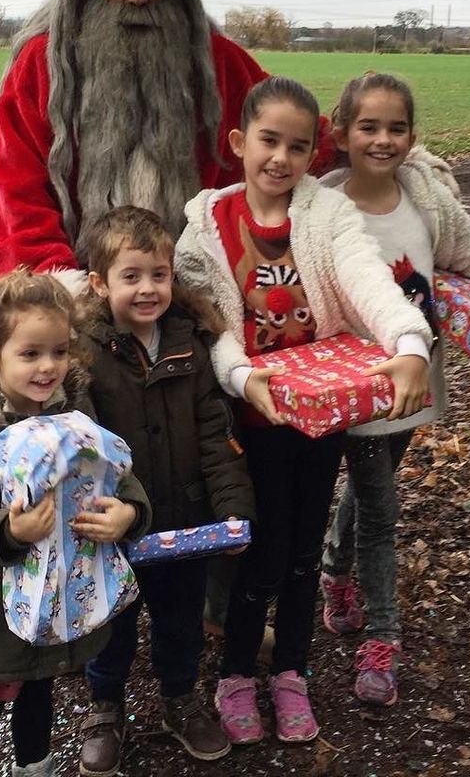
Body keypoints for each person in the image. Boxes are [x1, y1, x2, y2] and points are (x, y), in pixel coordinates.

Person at [174, 76, 434, 744]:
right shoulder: (205, 224)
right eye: (268, 141)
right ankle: (235, 675)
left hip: (317, 421)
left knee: (299, 556)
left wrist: (408, 342)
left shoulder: (328, 215)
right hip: (248, 425)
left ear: (313, 151)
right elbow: (208, 322)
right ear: (239, 142)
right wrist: (239, 376)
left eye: (297, 145)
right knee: (254, 554)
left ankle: (291, 674)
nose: (280, 159)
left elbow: (365, 279)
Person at [318, 71, 470, 707]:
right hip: (359, 388)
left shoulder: (424, 197)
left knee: (373, 487)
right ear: (341, 133)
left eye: (395, 128)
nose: (382, 139)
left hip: (420, 382)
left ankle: (335, 570)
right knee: (383, 513)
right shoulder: (324, 207)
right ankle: (382, 640)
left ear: (413, 136)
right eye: (368, 127)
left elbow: (469, 251)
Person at [0, 0, 332, 283]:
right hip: (81, 283)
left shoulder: (219, 62)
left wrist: (366, 145)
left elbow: (295, 129)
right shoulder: (43, 65)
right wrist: (58, 281)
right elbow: (17, 187)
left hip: (198, 279)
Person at [0, 269, 151, 777]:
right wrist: (8, 530)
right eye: (30, 354)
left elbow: (115, 472)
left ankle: (36, 769)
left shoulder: (74, 409)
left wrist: (128, 513)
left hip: (58, 600)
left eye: (59, 351)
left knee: (40, 692)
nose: (47, 367)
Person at [75, 206, 256, 776]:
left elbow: (213, 431)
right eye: (131, 277)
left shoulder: (187, 343)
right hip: (115, 529)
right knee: (113, 626)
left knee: (180, 619)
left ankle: (179, 699)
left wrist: (232, 508)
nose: (148, 288)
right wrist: (106, 512)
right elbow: (83, 450)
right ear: (101, 284)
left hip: (184, 521)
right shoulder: (84, 353)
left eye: (159, 274)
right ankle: (106, 707)